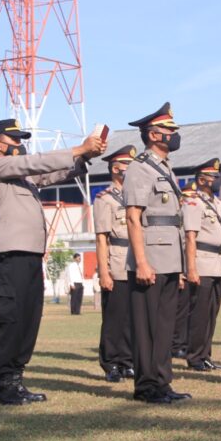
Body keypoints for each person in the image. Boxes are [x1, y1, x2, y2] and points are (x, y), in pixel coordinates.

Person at [0, 118, 104, 405]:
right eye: (15, 141)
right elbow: (34, 163)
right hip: (9, 255)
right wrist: (78, 147)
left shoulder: (23, 175)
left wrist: (85, 156)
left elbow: (54, 173)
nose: (21, 146)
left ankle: (16, 379)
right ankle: (4, 384)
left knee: (28, 318)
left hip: (31, 254)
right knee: (9, 318)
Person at [123, 102, 191, 404]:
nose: (173, 135)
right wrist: (141, 262)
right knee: (148, 327)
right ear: (152, 134)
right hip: (149, 258)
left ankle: (162, 382)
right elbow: (133, 217)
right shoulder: (140, 167)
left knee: (164, 327)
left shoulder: (164, 168)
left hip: (168, 258)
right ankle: (147, 386)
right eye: (168, 130)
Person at [93, 145, 136, 382]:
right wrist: (104, 272)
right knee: (114, 318)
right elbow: (101, 238)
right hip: (117, 261)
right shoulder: (105, 199)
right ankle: (110, 363)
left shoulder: (136, 197)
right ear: (115, 168)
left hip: (135, 262)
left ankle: (127, 361)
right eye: (126, 165)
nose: (129, 170)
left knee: (132, 317)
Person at [183, 159, 221, 372]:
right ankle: (195, 357)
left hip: (217, 262)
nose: (216, 181)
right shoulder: (194, 202)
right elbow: (190, 237)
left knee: (212, 313)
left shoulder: (217, 203)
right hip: (202, 261)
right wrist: (191, 268)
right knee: (200, 314)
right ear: (201, 180)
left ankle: (206, 355)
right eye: (213, 177)